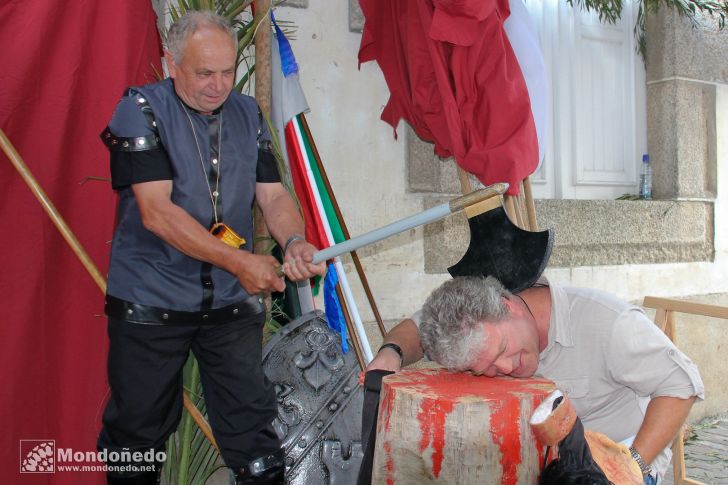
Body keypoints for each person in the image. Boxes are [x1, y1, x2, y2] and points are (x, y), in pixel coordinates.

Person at [98, 11, 325, 485]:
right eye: (204, 73)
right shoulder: (139, 108)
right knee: (136, 438)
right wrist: (240, 261)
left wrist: (295, 240)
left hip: (228, 302)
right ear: (171, 63)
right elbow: (157, 212)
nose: (218, 85)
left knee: (254, 435)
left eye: (226, 71)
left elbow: (274, 194)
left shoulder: (247, 112)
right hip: (152, 298)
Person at [367, 276, 704, 484]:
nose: (505, 367)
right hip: (532, 468)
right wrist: (391, 353)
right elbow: (421, 324)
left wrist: (632, 465)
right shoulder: (475, 323)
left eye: (502, 349)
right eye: (486, 369)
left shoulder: (609, 323)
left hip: (613, 469)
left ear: (508, 306)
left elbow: (681, 386)